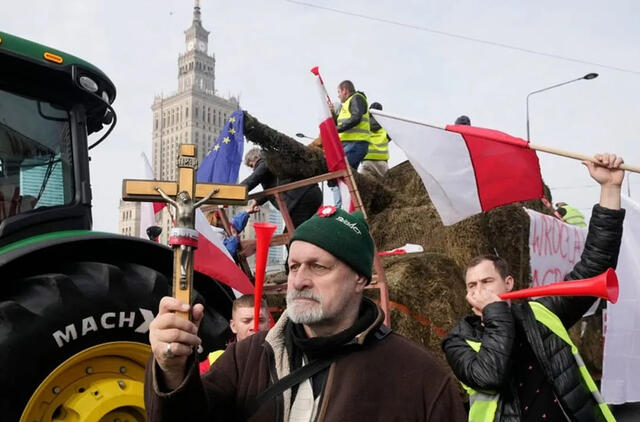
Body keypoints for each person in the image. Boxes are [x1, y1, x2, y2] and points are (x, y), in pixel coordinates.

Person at [145, 206, 466, 421]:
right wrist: (171, 370)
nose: (298, 280)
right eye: (294, 266)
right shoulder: (247, 359)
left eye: (318, 266)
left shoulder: (421, 379)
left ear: (360, 279)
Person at [442, 153, 625, 422]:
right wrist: (496, 312)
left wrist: (610, 188)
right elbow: (489, 376)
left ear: (509, 283)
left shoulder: (540, 313)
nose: (480, 290)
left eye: (487, 281)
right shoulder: (458, 339)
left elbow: (596, 265)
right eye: (472, 285)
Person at [241, 147, 322, 229]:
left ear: (256, 158)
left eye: (252, 166)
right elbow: (272, 188)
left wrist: (233, 192)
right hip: (309, 193)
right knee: (306, 232)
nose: (253, 169)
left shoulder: (265, 162)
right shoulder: (276, 163)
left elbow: (253, 179)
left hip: (299, 199)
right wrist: (256, 201)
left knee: (294, 236)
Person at [200, 294, 271, 373]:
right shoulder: (215, 361)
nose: (254, 327)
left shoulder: (282, 359)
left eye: (260, 320)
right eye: (246, 321)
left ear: (269, 324)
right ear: (233, 326)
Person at [331, 80, 371, 207]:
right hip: (352, 144)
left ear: (344, 90)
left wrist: (336, 129)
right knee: (346, 176)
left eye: (338, 92)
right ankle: (349, 205)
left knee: (339, 171)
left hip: (356, 143)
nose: (338, 95)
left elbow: (356, 117)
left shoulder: (356, 98)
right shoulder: (348, 103)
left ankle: (343, 207)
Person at [359, 101, 391, 179]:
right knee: (386, 188)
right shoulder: (386, 126)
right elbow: (390, 137)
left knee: (365, 188)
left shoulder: (363, 125)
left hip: (367, 161)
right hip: (382, 163)